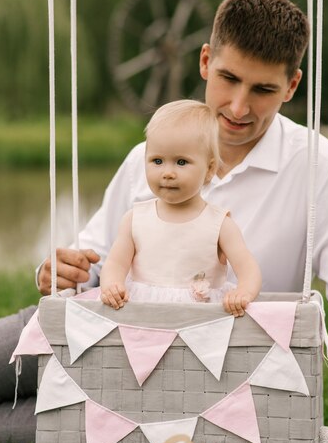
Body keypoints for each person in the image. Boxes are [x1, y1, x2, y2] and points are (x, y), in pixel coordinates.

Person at [0, 0, 328, 443]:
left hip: (202, 392)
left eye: (263, 90)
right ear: (205, 60)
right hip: (88, 337)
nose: (237, 107)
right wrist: (58, 269)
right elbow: (91, 257)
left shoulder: (326, 173)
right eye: (228, 78)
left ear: (292, 87)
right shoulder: (147, 157)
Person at [99, 99, 261, 316]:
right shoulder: (134, 219)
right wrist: (112, 284)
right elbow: (116, 263)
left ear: (209, 169)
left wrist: (243, 292)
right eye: (157, 161)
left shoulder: (219, 224)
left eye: (181, 162)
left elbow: (248, 267)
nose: (167, 172)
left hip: (201, 318)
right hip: (143, 314)